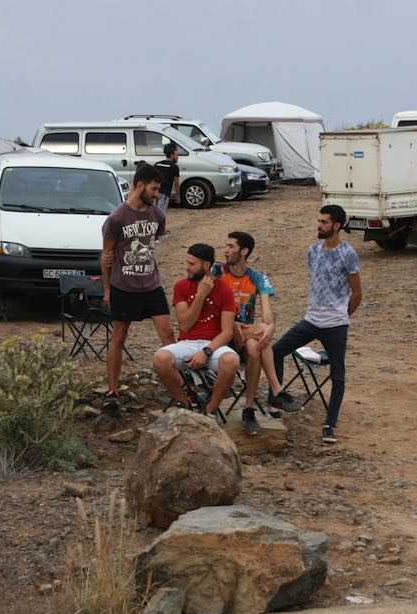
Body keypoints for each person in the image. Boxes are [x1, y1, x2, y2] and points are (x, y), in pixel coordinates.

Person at [271, 205, 362, 444]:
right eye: (319, 221)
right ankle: (275, 401)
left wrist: (342, 315)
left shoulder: (348, 253)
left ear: (337, 225)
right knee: (275, 351)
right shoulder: (313, 251)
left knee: (338, 374)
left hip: (335, 324)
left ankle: (330, 424)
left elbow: (357, 292)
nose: (319, 226)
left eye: (324, 222)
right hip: (311, 319)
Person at [101, 163, 174, 411]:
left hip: (151, 284)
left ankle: (178, 386)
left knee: (168, 333)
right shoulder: (116, 218)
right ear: (140, 185)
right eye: (154, 189)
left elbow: (153, 241)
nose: (157, 194)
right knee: (119, 336)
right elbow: (106, 256)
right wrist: (107, 290)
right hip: (124, 286)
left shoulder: (158, 215)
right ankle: (112, 389)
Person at [152, 244, 240, 415]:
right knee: (160, 359)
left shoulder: (224, 289)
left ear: (206, 265)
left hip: (214, 345)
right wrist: (201, 296)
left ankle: (210, 410)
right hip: (187, 342)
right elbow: (185, 325)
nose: (187, 268)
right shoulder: (181, 286)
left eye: (192, 264)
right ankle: (184, 403)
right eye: (187, 262)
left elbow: (227, 332)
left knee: (231, 361)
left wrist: (206, 352)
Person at [220, 231, 293, 435]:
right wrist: (262, 328)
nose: (225, 251)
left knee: (255, 345)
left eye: (231, 247)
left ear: (244, 251)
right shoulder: (217, 273)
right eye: (226, 246)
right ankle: (275, 389)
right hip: (221, 333)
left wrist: (270, 326)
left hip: (245, 336)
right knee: (255, 335)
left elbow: (267, 311)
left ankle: (249, 408)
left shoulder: (257, 277)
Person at [154, 143, 181, 214]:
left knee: (154, 212)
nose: (177, 157)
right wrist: (178, 196)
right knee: (161, 214)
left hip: (155, 192)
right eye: (177, 155)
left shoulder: (157, 164)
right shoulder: (174, 167)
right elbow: (176, 183)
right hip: (164, 193)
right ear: (172, 154)